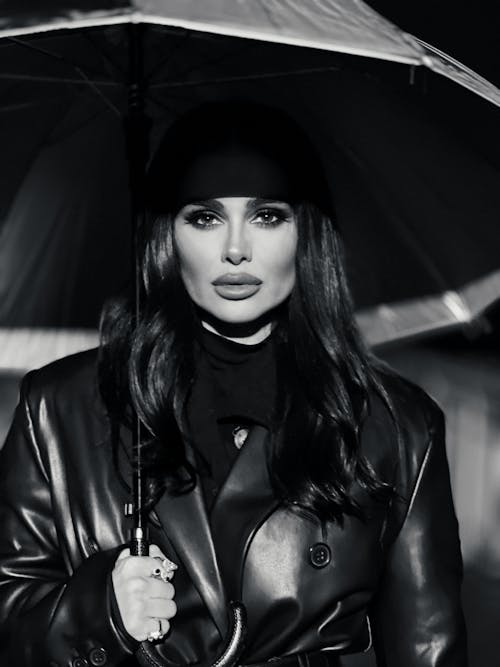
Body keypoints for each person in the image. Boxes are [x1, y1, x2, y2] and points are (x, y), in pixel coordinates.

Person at [0, 102, 467, 667]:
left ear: (307, 234)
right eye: (205, 217)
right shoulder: (61, 408)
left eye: (268, 216)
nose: (236, 249)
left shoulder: (394, 427)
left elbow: (428, 649)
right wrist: (99, 612)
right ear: (165, 234)